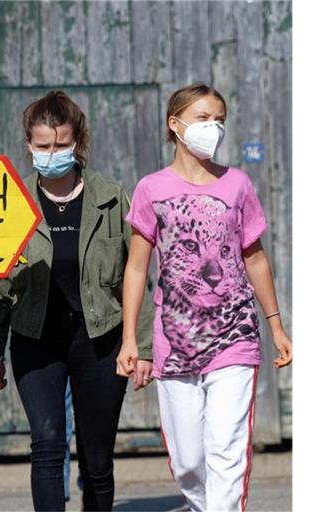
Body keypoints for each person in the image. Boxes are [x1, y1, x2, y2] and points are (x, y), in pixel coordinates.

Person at [0, 90, 155, 511]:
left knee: (97, 457)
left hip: (99, 340)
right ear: (28, 145)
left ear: (78, 142)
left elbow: (136, 274)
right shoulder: (11, 203)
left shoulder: (110, 197)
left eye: (60, 145)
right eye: (42, 146)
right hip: (35, 339)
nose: (51, 153)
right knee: (48, 443)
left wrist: (141, 345)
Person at [117, 83, 293, 512]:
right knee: (190, 463)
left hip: (235, 335)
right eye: (202, 118)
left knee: (225, 451)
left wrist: (275, 324)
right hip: (174, 342)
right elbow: (138, 267)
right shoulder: (151, 189)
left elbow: (254, 257)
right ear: (174, 125)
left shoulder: (237, 184)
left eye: (219, 119)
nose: (212, 127)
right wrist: (130, 339)